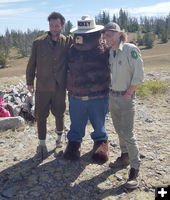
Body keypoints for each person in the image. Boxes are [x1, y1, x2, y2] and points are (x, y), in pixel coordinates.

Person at [63, 16, 110, 163]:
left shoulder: (104, 49)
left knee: (99, 122)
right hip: (76, 95)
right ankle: (74, 143)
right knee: (76, 122)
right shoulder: (71, 50)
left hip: (99, 95)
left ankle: (101, 142)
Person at [26, 12, 72, 161]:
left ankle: (59, 140)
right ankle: (42, 144)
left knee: (60, 113)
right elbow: (31, 63)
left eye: (57, 25)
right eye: (51, 25)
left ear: (62, 26)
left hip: (59, 87)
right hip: (42, 86)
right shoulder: (38, 42)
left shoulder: (67, 42)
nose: (53, 28)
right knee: (41, 115)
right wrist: (29, 82)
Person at [103, 22, 144, 189]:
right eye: (105, 35)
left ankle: (135, 168)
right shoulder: (111, 53)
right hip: (113, 97)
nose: (107, 38)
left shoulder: (129, 50)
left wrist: (129, 92)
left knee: (128, 133)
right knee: (119, 130)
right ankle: (125, 155)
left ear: (119, 34)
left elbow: (139, 75)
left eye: (110, 35)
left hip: (126, 98)